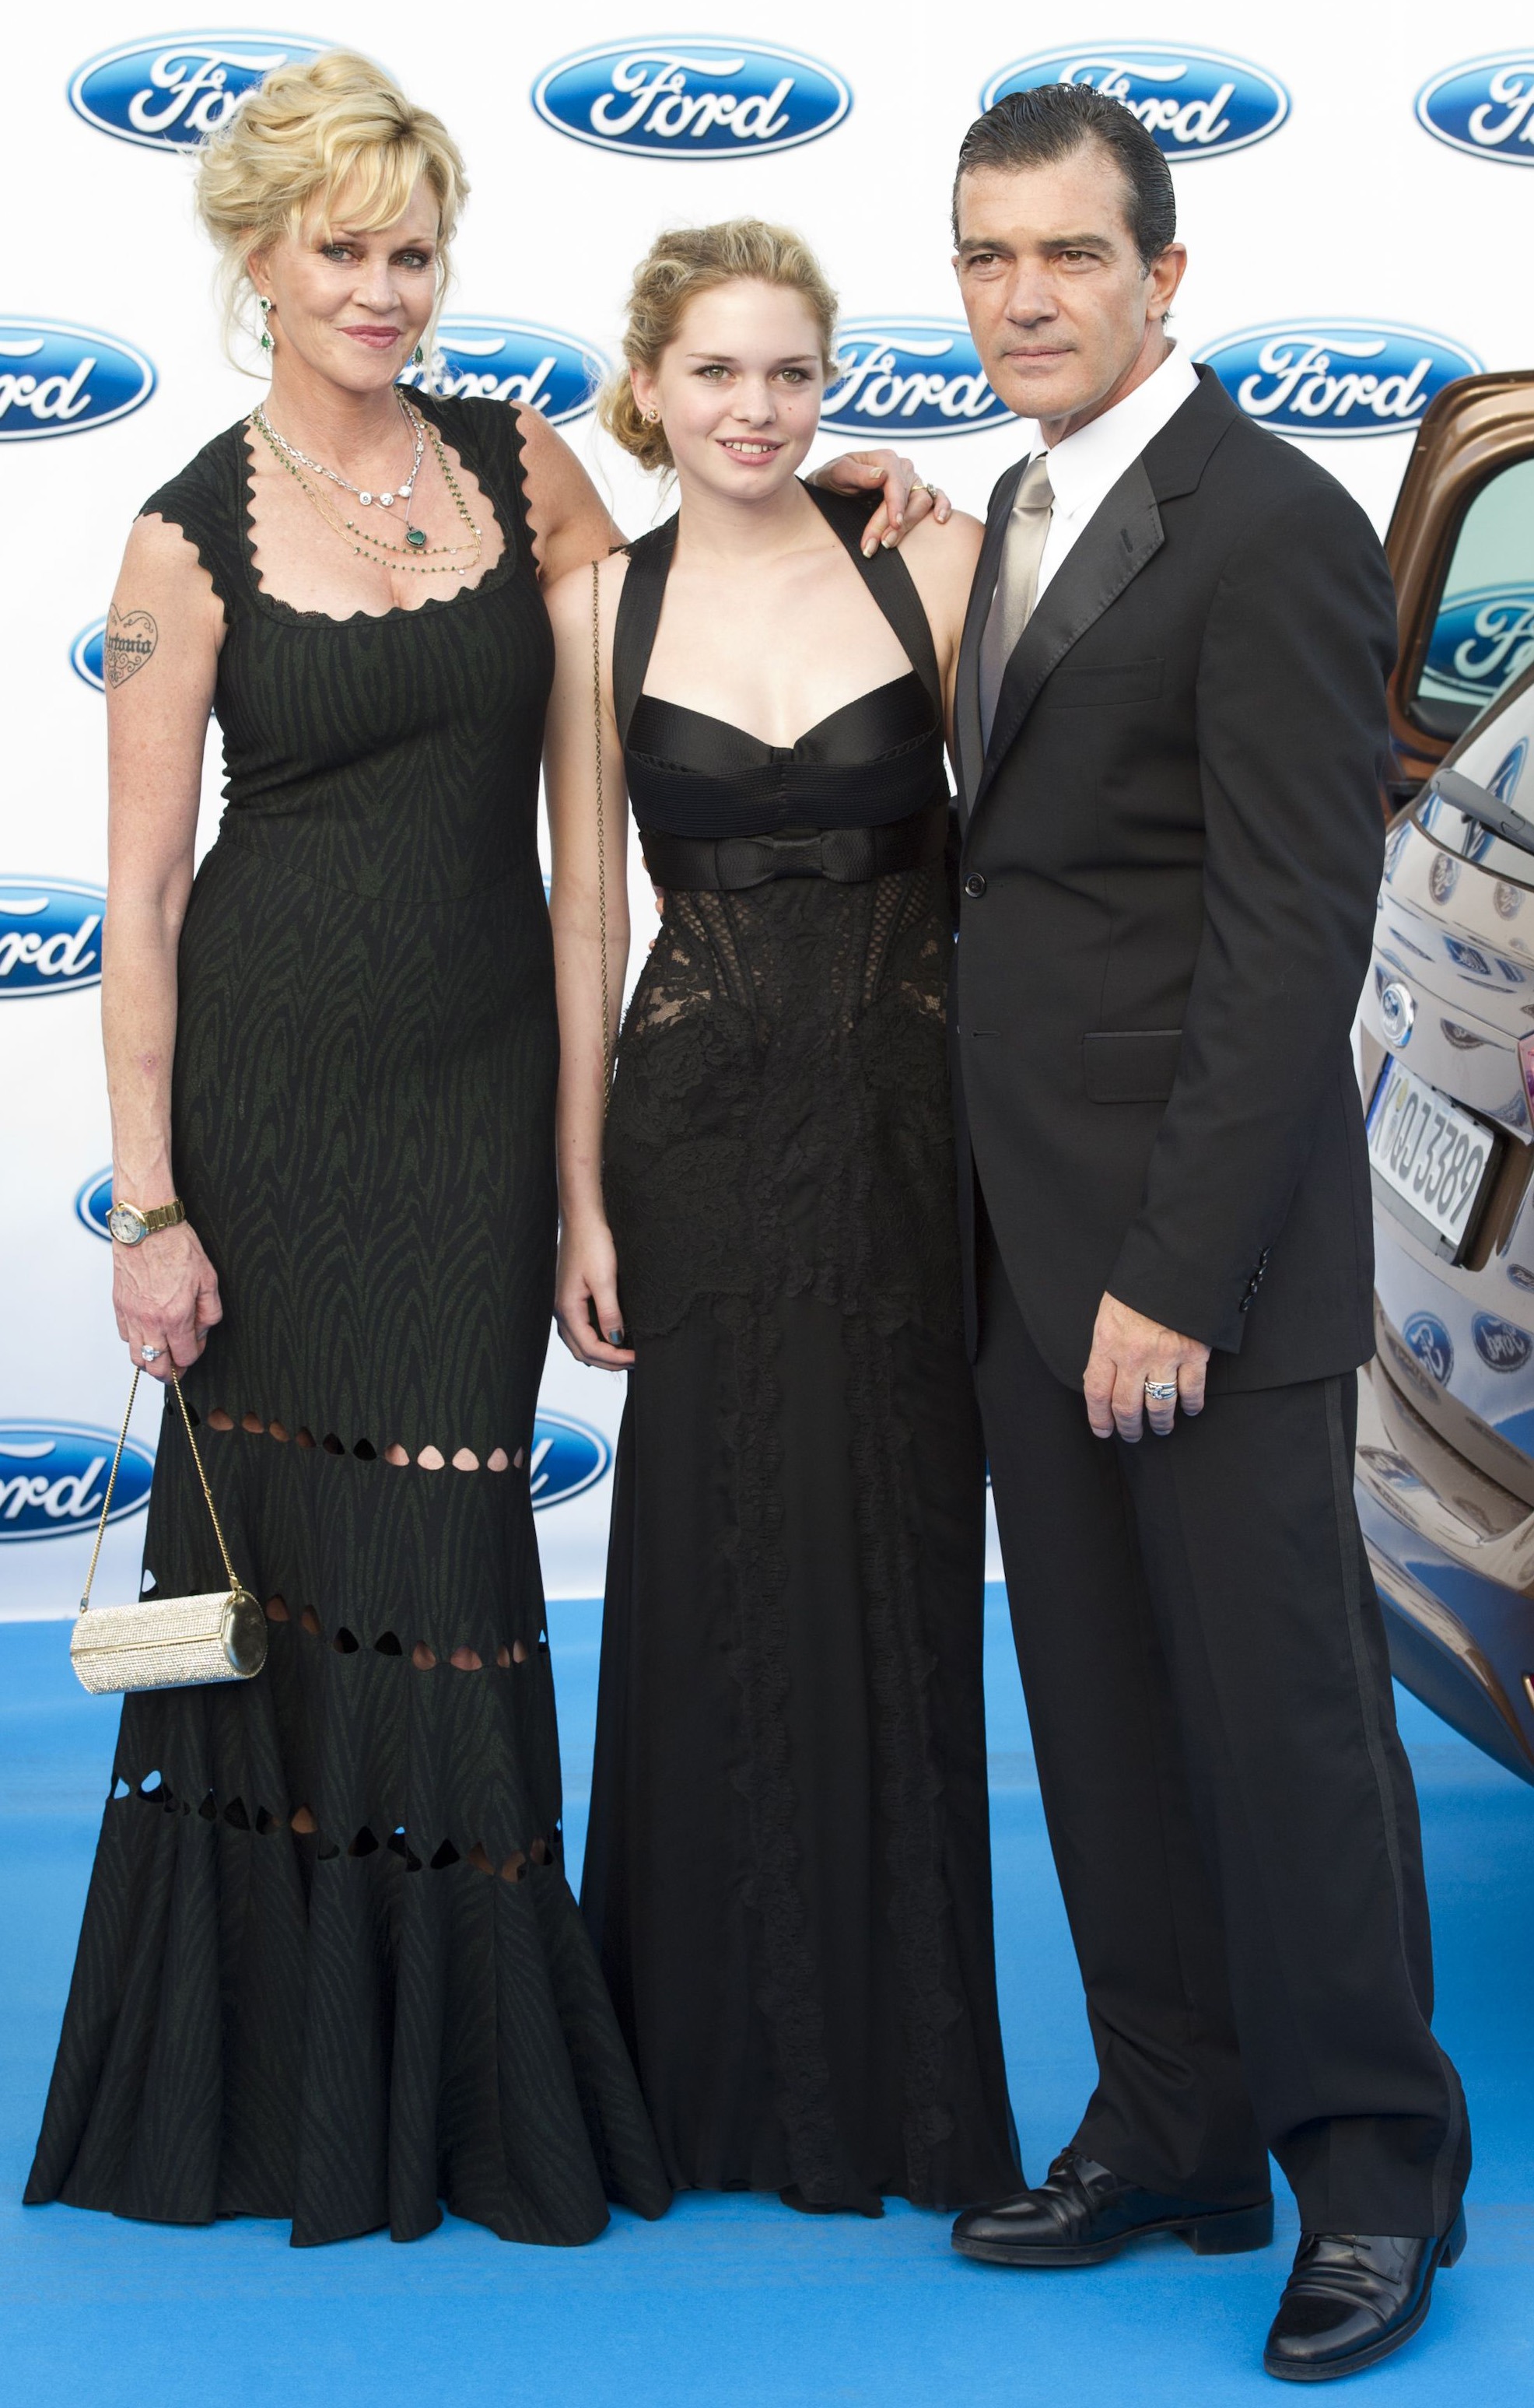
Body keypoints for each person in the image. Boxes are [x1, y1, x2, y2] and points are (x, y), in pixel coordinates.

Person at [24, 54, 922, 2252]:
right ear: (257, 256)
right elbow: (136, 904)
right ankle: (281, 2082)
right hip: (267, 1090)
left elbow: (693, 609)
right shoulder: (184, 528)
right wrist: (148, 1200)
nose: (385, 290)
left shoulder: (526, 469)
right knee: (276, 1584)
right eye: (342, 249)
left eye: (413, 251)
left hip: (476, 1107)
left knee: (447, 1566)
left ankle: (459, 2078)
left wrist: (857, 511)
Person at [940, 86, 1470, 2383]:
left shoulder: (1264, 523)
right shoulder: (1024, 511)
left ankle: (1370, 2177)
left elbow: (1287, 935)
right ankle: (1170, 2124)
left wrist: (1173, 1269)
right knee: (1102, 1720)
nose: (1024, 296)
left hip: (1198, 1274)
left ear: (1169, 277)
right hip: (1022, 1250)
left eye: (1069, 254)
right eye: (986, 258)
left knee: (1279, 1730)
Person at [546, 219, 1021, 2217]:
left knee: (896, 1563)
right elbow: (586, 918)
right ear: (647, 386)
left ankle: (903, 2085)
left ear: (830, 388)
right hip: (698, 1130)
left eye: (790, 375)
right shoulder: (591, 611)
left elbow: (1038, 847)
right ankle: (695, 2073)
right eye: (716, 374)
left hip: (911, 1129)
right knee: (714, 1561)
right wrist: (575, 1193)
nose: (755, 411)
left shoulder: (924, 554)